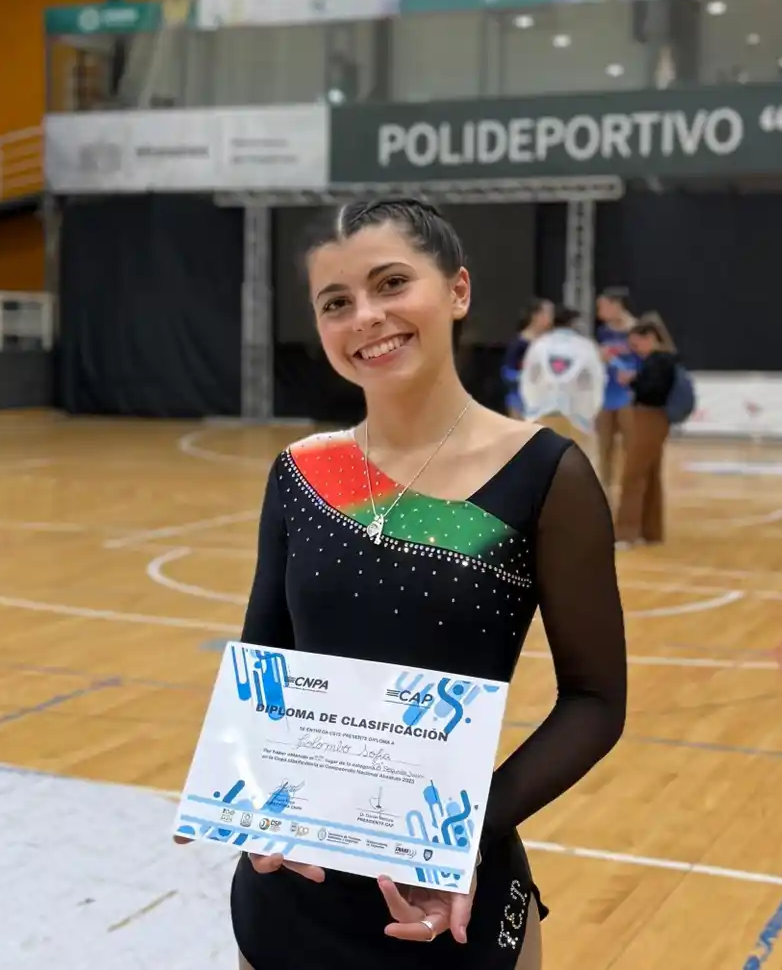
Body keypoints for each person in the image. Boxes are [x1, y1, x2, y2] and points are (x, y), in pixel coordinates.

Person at [195, 198, 627, 970]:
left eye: (391, 283)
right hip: (292, 897)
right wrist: (252, 805)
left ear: (457, 291)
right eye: (337, 302)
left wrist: (461, 837)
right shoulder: (302, 473)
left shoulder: (544, 474)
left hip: (453, 900)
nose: (367, 316)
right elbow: (268, 668)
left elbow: (595, 701)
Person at [612, 315, 678, 548]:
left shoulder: (658, 361)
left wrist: (632, 382)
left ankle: (625, 533)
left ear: (649, 338)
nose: (634, 349)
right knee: (650, 476)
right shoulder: (664, 360)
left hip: (649, 418)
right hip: (655, 419)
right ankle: (651, 532)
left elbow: (651, 391)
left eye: (636, 343)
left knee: (633, 475)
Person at [516, 305, 607, 467]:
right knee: (576, 465)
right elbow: (596, 380)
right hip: (576, 417)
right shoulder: (586, 346)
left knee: (542, 464)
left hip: (543, 413)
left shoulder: (539, 345)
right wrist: (589, 411)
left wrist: (532, 409)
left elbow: (529, 379)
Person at [593, 288, 638, 491]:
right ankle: (605, 487)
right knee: (604, 446)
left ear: (616, 305)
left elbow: (647, 361)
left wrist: (633, 374)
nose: (599, 311)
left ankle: (631, 485)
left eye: (602, 306)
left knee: (631, 445)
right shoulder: (603, 331)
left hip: (629, 396)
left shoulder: (636, 330)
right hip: (605, 396)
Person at [500, 298, 554, 419]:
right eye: (548, 313)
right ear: (536, 316)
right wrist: (527, 377)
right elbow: (507, 372)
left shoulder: (550, 343)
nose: (551, 318)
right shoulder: (519, 343)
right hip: (520, 400)